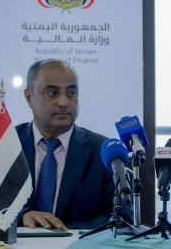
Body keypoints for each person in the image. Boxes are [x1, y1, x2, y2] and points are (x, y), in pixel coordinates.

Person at [17, 58, 132, 229]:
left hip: (81, 246)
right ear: (29, 97)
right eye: (52, 93)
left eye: (71, 93)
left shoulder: (104, 152)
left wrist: (66, 235)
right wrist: (22, 217)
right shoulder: (5, 145)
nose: (64, 102)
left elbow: (123, 218)